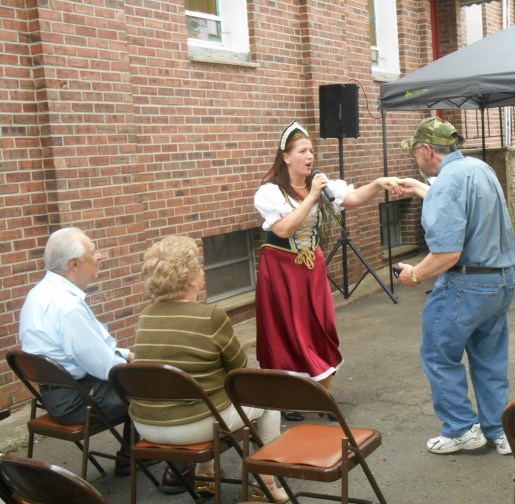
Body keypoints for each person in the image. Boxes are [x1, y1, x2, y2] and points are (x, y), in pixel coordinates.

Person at [254, 120, 401, 421]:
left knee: (321, 326)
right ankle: (286, 398)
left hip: (311, 267)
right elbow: (283, 229)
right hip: (281, 268)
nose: (309, 156)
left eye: (311, 150)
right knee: (285, 331)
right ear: (286, 157)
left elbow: (353, 198)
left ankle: (324, 396)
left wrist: (378, 183)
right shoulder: (270, 192)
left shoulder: (321, 184)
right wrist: (310, 197)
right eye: (302, 151)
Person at [131, 235, 288, 502]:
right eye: (199, 267)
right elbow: (239, 370)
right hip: (195, 425)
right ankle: (265, 486)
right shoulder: (210, 315)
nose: (202, 272)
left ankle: (205, 477)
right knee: (268, 402)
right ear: (190, 277)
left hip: (146, 425)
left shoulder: (145, 317)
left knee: (205, 396)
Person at [395, 116, 515, 456]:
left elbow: (447, 253)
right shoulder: (478, 168)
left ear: (425, 150)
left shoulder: (447, 182)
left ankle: (462, 429)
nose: (414, 159)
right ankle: (498, 430)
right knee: (490, 357)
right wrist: (421, 189)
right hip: (501, 279)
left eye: (414, 153)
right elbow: (466, 206)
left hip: (466, 284)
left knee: (438, 355)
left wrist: (415, 274)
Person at [18, 227, 134, 476]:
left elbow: (84, 351)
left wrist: (125, 354)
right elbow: (105, 368)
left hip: (54, 396)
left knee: (137, 372)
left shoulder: (38, 294)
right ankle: (136, 458)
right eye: (94, 251)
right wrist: (137, 365)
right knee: (152, 387)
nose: (100, 256)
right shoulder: (68, 307)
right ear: (74, 264)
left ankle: (133, 453)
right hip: (79, 402)